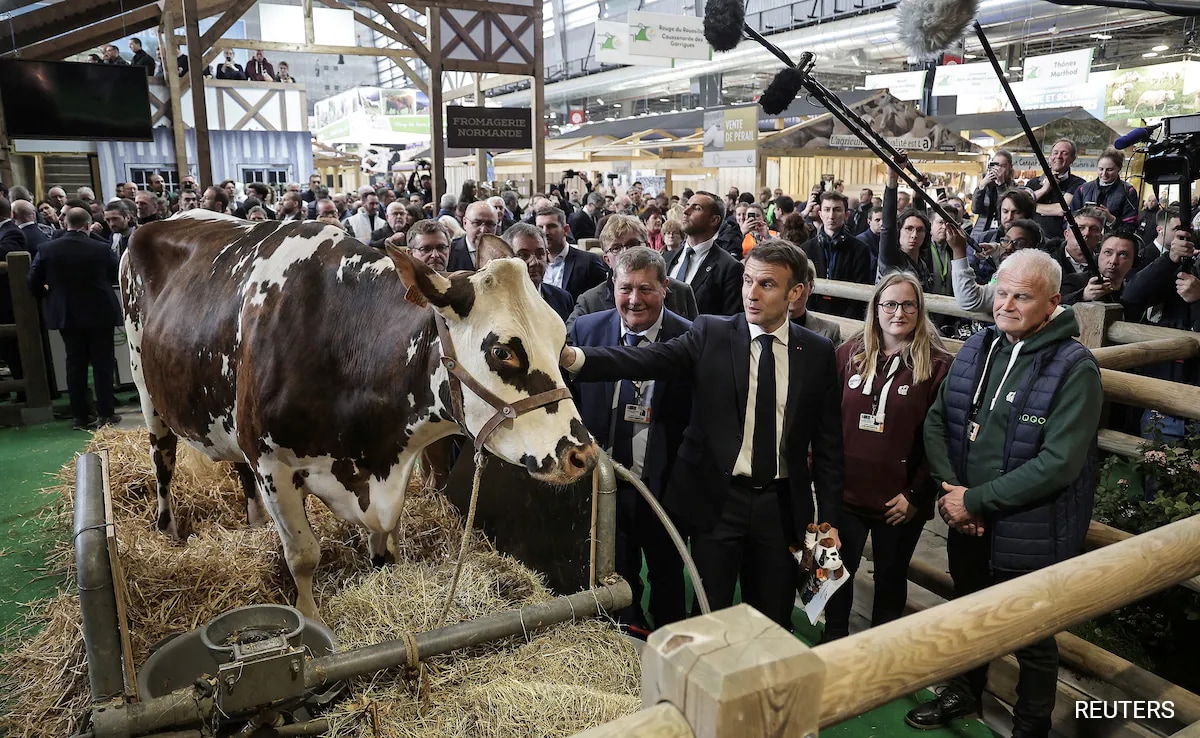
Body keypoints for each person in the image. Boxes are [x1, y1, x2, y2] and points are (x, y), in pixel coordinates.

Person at [560, 239, 844, 629]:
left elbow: (828, 445)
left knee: (773, 616)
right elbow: (647, 357)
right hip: (718, 503)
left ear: (795, 292)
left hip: (781, 509)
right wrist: (574, 357)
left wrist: (827, 520)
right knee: (708, 613)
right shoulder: (711, 333)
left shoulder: (816, 352)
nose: (751, 294)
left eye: (766, 285)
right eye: (747, 281)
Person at [909, 248, 1101, 737]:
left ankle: (1030, 725)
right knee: (969, 610)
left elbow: (1059, 463)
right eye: (1002, 291)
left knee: (1033, 636)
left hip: (1029, 529)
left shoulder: (1075, 367)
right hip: (965, 516)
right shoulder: (977, 347)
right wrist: (953, 492)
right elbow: (939, 422)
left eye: (1022, 296)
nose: (1005, 304)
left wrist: (973, 501)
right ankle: (964, 690)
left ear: (1053, 302)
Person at [568, 246, 692, 634]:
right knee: (613, 573)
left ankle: (669, 643)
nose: (634, 300)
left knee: (667, 574)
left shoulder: (690, 338)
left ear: (665, 288)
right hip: (603, 484)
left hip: (664, 487)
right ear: (613, 286)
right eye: (625, 288)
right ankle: (623, 642)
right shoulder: (586, 331)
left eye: (646, 289)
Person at [823, 271, 951, 642]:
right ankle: (831, 637)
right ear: (876, 309)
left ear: (920, 309)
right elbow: (823, 420)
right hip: (843, 491)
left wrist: (918, 494)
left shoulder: (938, 366)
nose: (899, 312)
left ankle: (881, 647)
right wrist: (821, 477)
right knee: (831, 567)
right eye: (890, 304)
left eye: (908, 304)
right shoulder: (847, 354)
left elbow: (939, 439)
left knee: (891, 576)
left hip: (899, 500)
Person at [27, 207, 124, 430]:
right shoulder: (101, 248)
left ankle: (80, 415)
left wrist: (49, 295)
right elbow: (115, 274)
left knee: (75, 363)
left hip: (67, 314)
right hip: (100, 312)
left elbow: (32, 282)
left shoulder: (47, 249)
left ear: (65, 223)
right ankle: (106, 413)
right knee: (103, 363)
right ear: (88, 225)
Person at [566, 215, 698, 333]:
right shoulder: (590, 301)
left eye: (633, 244)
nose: (625, 252)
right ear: (607, 260)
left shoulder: (680, 291)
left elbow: (697, 341)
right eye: (616, 248)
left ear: (648, 246)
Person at [664, 192, 744, 316]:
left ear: (714, 220)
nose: (685, 211)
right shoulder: (666, 258)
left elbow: (730, 322)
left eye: (697, 208)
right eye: (687, 205)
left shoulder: (729, 268)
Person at [801, 191, 874, 317]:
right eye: (827, 210)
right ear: (820, 214)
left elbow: (862, 288)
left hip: (848, 317)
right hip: (813, 314)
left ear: (846, 215)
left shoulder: (860, 249)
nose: (831, 215)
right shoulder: (806, 248)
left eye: (837, 210)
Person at [500, 222, 573, 320]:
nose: (534, 262)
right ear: (506, 257)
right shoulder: (495, 303)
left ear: (547, 255)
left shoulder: (562, 299)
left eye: (540, 254)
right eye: (524, 255)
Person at [537, 205, 609, 301]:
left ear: (566, 230)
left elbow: (602, 300)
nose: (545, 232)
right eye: (540, 227)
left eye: (551, 226)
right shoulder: (533, 264)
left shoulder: (588, 262)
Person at [1061, 231, 1141, 311]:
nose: (1113, 261)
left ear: (1134, 262)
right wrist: (1083, 295)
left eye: (1123, 255)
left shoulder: (1132, 293)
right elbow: (1057, 307)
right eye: (1108, 252)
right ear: (1098, 255)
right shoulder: (1075, 281)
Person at [1026, 139, 1085, 239]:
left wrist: (1030, 205)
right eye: (1055, 153)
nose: (1058, 156)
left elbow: (1062, 209)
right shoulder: (1033, 182)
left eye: (1064, 153)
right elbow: (1018, 203)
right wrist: (1044, 189)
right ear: (1050, 157)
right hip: (1031, 238)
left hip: (1059, 242)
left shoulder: (1078, 183)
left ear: (1073, 159)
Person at [1070, 148, 1139, 227]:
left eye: (1109, 170)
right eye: (1101, 169)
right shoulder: (1083, 189)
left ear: (1119, 169)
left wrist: (1111, 219)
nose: (1104, 174)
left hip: (1114, 237)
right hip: (1086, 236)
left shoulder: (1128, 191)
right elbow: (1070, 219)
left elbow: (1131, 225)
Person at [788, 260, 841, 344]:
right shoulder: (764, 327)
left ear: (811, 287)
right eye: (789, 284)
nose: (795, 291)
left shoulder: (830, 331)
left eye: (801, 285)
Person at [970, 150, 1016, 242]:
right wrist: (981, 187)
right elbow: (976, 209)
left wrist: (1001, 185)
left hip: (1002, 234)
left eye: (1003, 166)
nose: (998, 169)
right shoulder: (985, 185)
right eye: (995, 165)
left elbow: (1003, 208)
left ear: (1010, 167)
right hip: (980, 232)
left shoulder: (1014, 188)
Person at [448, 201, 497, 270]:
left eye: (490, 224)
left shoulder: (503, 255)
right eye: (477, 223)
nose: (483, 230)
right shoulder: (449, 252)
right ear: (465, 223)